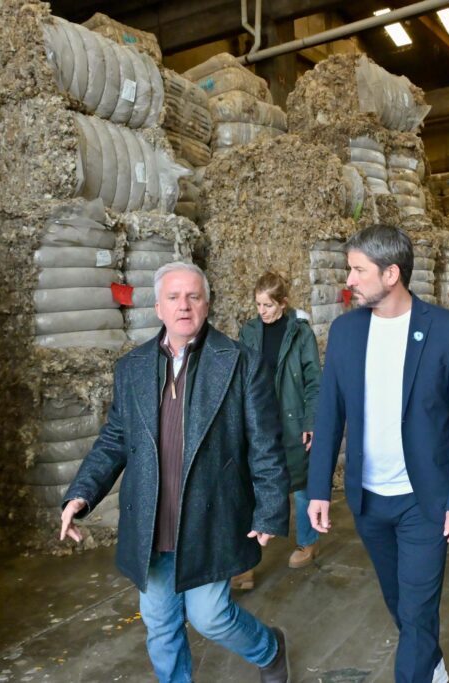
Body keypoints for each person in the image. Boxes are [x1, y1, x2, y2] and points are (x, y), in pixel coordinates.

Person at [60, 262, 291, 683]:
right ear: (158, 308)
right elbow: (115, 438)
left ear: (206, 304)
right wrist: (81, 494)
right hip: (152, 521)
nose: (184, 306)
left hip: (210, 515)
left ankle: (269, 649)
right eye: (173, 297)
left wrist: (269, 508)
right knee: (161, 623)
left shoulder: (241, 363)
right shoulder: (132, 367)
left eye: (193, 296)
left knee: (210, 616)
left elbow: (264, 444)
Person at [307, 224, 449, 683]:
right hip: (369, 500)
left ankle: (417, 669)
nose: (349, 280)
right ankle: (429, 660)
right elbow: (329, 415)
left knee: (418, 609)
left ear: (391, 274)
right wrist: (318, 489)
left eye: (358, 270)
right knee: (401, 603)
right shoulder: (345, 331)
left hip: (424, 500)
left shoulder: (444, 330)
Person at [236, 272, 322, 590]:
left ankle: (308, 542)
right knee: (252, 486)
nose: (262, 311)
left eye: (268, 305)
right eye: (258, 305)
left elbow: (314, 380)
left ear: (283, 303)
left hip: (292, 417)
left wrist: (311, 421)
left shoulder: (300, 333)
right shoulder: (248, 331)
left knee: (300, 483)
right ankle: (246, 561)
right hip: (259, 419)